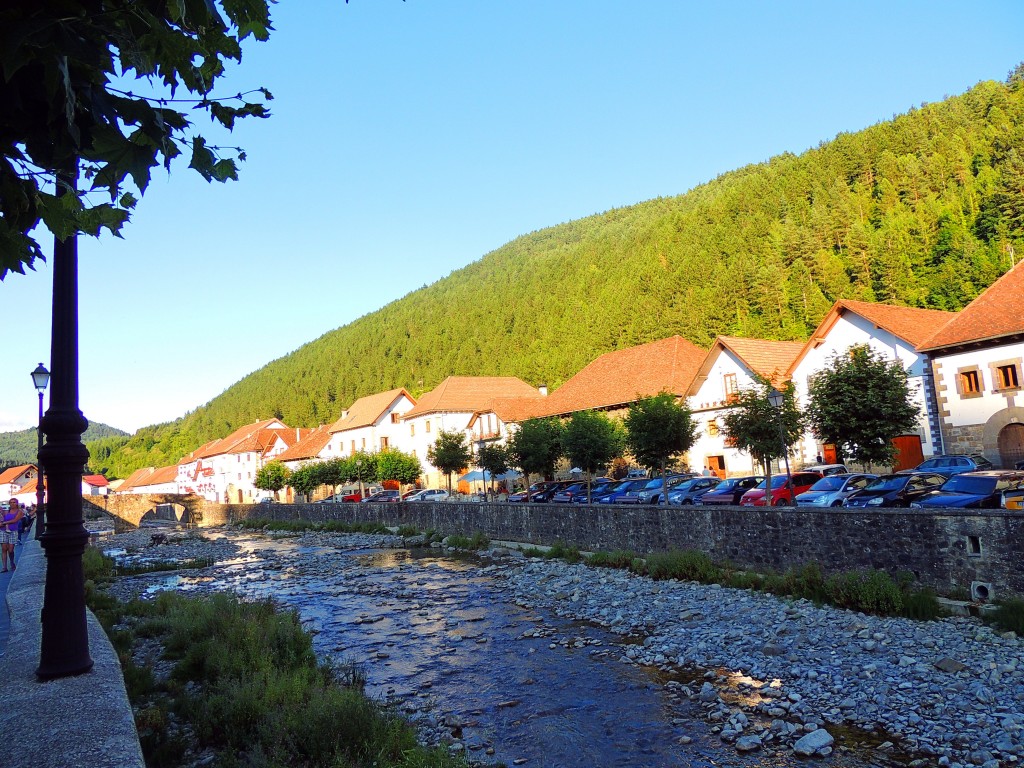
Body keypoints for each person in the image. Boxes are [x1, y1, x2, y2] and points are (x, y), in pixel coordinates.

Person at [1, 499, 24, 572]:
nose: (12, 504)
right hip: (3, 530)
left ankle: (12, 562)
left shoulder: (20, 512)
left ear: (17, 503)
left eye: (14, 502)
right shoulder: (6, 511)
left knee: (11, 550)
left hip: (13, 531)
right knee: (4, 549)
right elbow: (2, 518)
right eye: (11, 502)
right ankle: (4, 567)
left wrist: (4, 523)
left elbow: (15, 520)